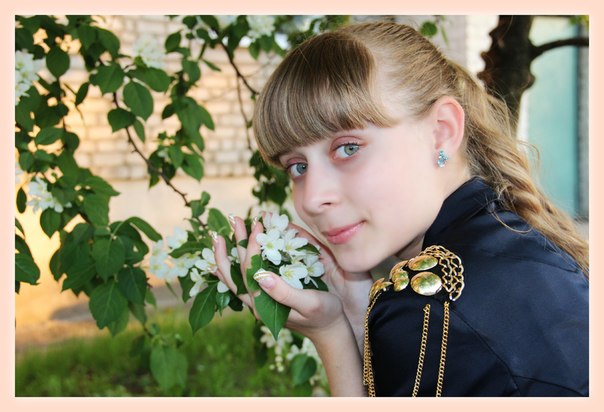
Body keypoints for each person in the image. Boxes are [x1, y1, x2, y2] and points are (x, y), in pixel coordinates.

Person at [211, 21, 589, 396]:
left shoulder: (427, 311)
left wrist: (331, 337)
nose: (311, 199)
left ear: (441, 131)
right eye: (297, 166)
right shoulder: (523, 243)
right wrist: (348, 324)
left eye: (348, 148)